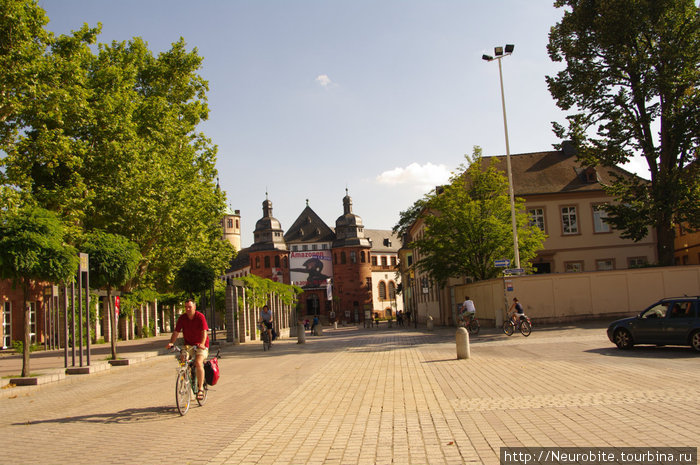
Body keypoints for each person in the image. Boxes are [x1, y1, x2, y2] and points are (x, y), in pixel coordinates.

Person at [166, 298, 209, 401]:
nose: (187, 309)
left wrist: (202, 344)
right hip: (188, 345)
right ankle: (186, 381)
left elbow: (204, 332)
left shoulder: (200, 317)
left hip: (200, 345)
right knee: (183, 360)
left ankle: (200, 389)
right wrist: (171, 342)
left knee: (198, 362)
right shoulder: (182, 318)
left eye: (189, 307)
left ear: (194, 307)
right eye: (186, 307)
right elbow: (176, 332)